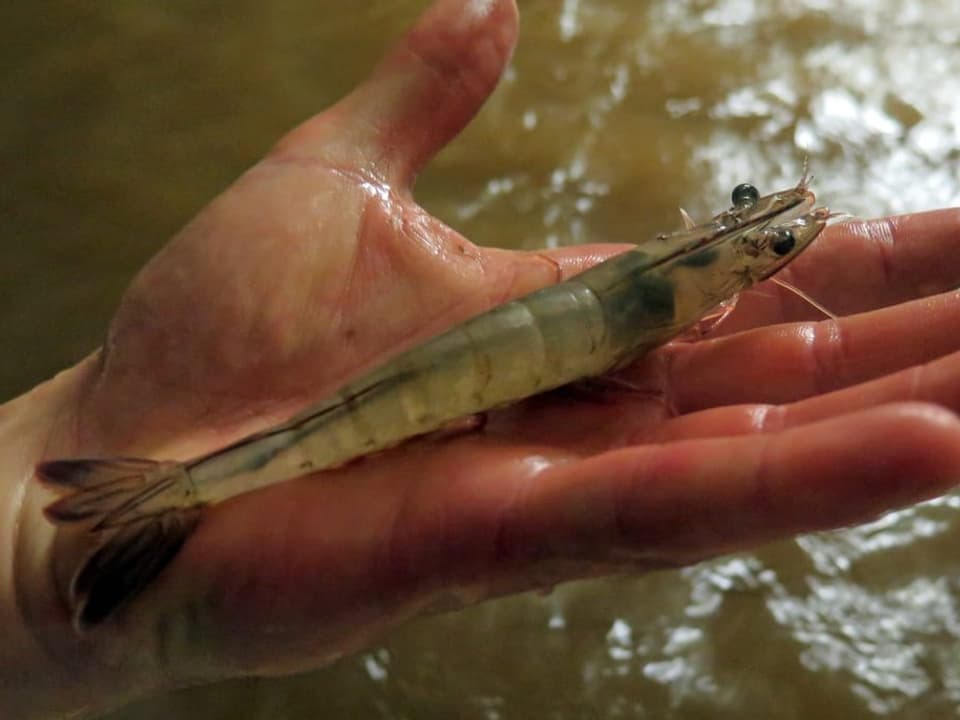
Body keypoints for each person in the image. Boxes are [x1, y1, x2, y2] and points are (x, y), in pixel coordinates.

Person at [3, 0, 960, 717]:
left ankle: (164, 493)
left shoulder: (668, 276)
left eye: (771, 245)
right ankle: (164, 494)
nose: (771, 239)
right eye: (760, 229)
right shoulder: (685, 299)